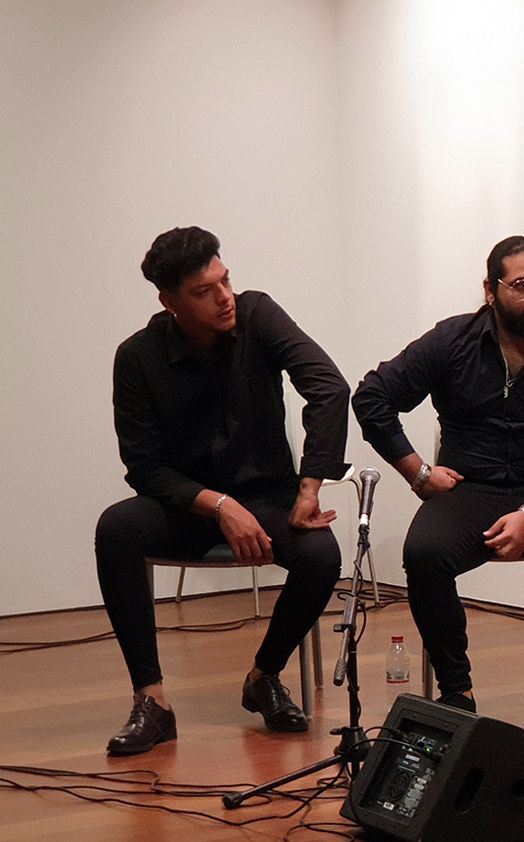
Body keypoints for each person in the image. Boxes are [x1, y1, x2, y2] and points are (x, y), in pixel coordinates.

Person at [352, 236, 524, 739]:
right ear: (491, 290)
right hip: (470, 489)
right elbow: (373, 396)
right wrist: (417, 471)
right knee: (424, 553)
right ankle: (456, 693)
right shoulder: (451, 341)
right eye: (522, 285)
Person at [95, 227, 349, 755]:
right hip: (187, 505)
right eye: (203, 291)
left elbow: (328, 386)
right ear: (169, 302)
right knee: (116, 528)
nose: (224, 296)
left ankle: (264, 677)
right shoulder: (137, 357)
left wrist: (309, 487)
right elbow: (144, 468)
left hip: (267, 496)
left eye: (225, 279)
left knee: (322, 555)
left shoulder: (257, 315)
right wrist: (218, 505)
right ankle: (153, 702)